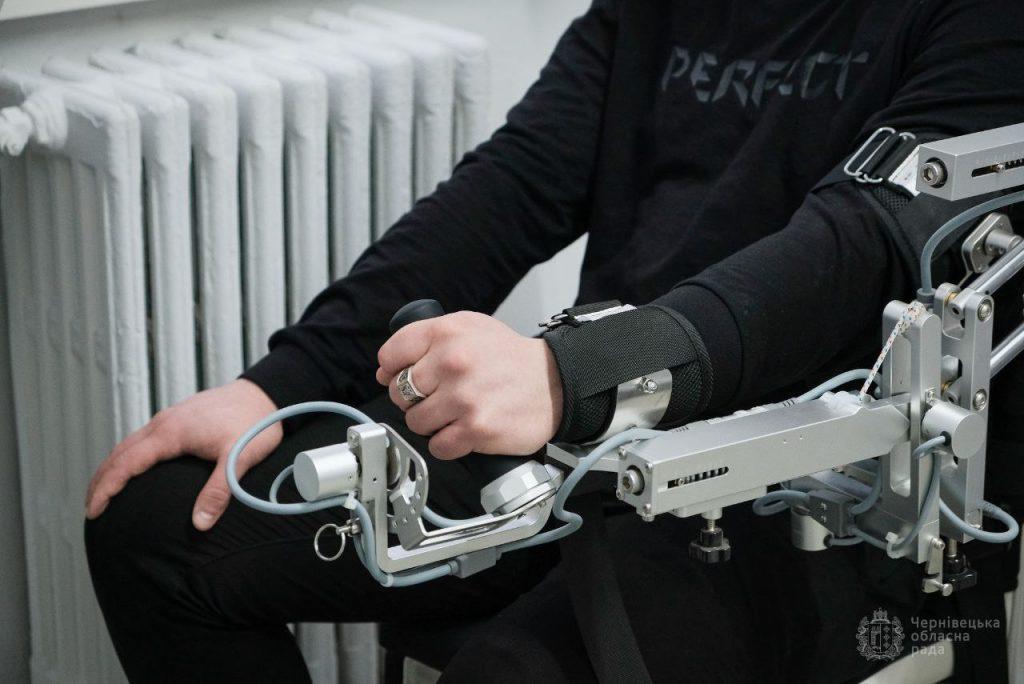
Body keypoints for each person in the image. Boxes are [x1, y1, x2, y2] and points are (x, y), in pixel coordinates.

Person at [84, 1, 1024, 681]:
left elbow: (863, 245)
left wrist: (580, 372)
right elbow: (515, 184)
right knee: (155, 535)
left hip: (813, 480)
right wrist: (279, 382)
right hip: (584, 433)